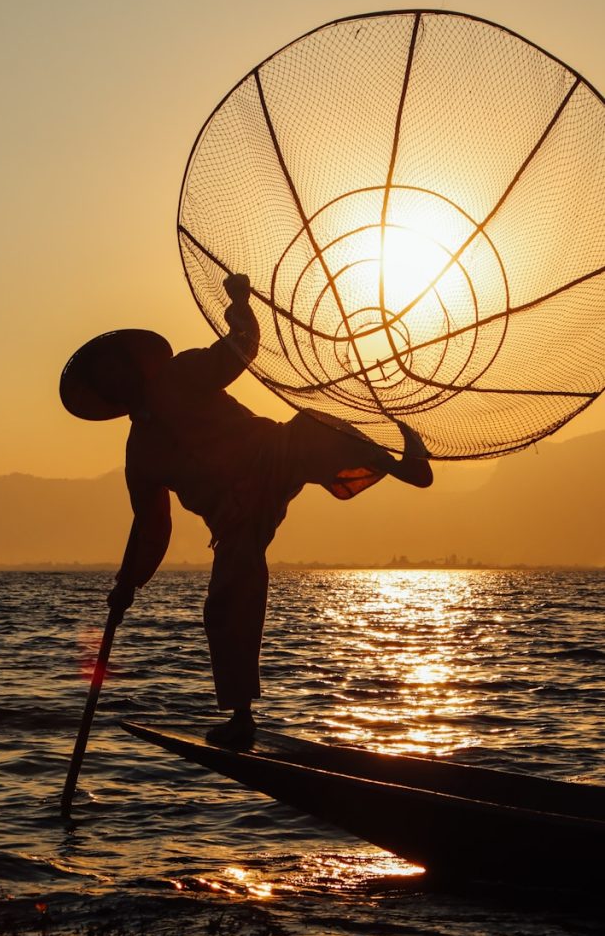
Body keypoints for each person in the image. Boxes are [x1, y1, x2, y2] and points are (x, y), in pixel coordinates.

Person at [60, 275, 432, 747]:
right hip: (235, 518)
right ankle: (241, 718)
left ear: (136, 363)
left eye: (118, 364)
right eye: (105, 375)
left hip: (270, 455)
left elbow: (239, 349)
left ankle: (400, 466)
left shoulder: (183, 374)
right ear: (106, 391)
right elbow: (151, 526)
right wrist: (126, 583)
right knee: (226, 604)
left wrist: (240, 303)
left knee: (311, 431)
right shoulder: (140, 453)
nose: (116, 375)